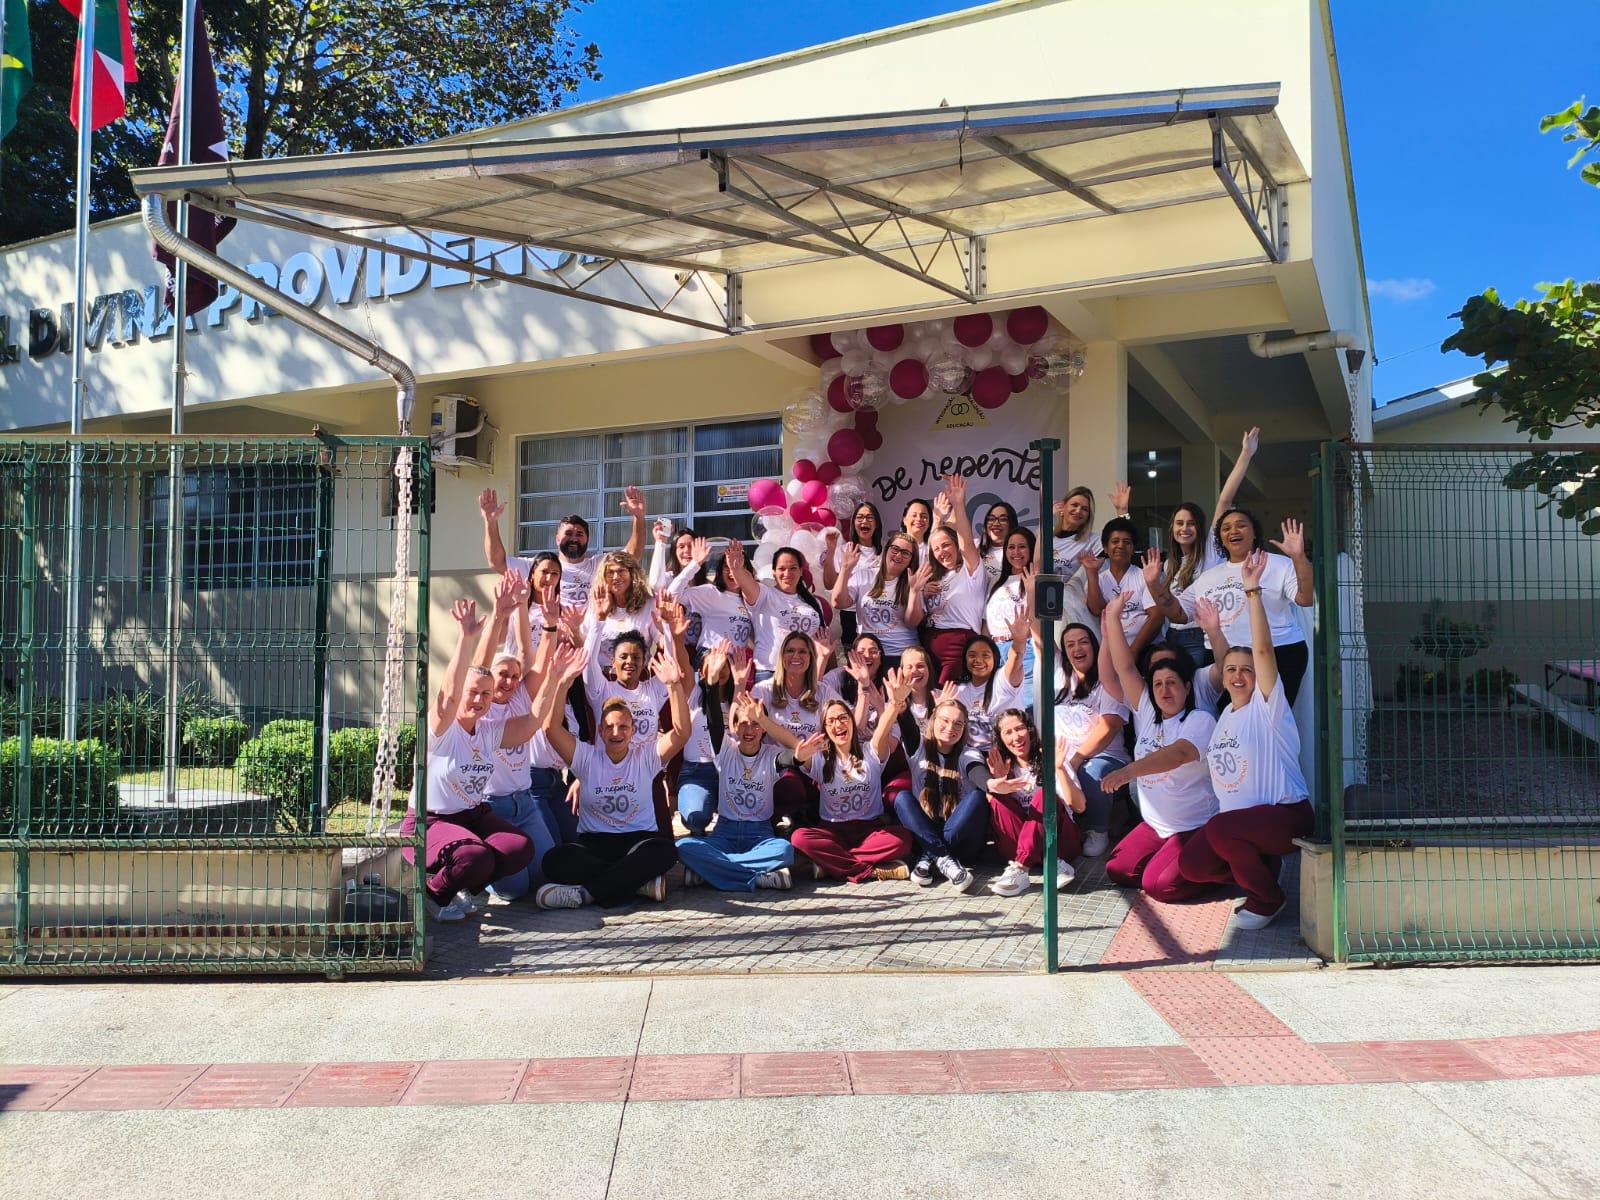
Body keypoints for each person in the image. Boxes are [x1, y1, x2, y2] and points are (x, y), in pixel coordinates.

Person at [1177, 549, 1314, 929]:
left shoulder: (1269, 706)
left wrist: (1252, 592)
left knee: (1221, 830)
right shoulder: (1224, 714)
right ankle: (1260, 868)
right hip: (1246, 827)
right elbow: (1226, 662)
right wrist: (1214, 632)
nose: (1238, 676)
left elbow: (1263, 650)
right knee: (1192, 864)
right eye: (1232, 671)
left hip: (1287, 817)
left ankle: (1268, 899)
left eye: (1247, 671)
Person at [400, 576, 539, 921]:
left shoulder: (488, 730)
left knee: (518, 848)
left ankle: (459, 885)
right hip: (428, 822)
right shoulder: (442, 728)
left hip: (470, 817)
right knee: (476, 857)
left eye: (486, 695)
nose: (478, 699)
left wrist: (559, 677)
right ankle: (432, 897)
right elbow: (451, 692)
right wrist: (467, 637)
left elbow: (532, 723)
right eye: (472, 692)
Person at [534, 635, 692, 909]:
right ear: (600, 731)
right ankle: (635, 883)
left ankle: (586, 894)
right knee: (553, 861)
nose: (616, 733)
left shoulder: (645, 757)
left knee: (666, 851)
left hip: (636, 843)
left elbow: (681, 733)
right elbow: (551, 729)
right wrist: (562, 683)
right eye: (609, 727)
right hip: (595, 845)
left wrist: (674, 685)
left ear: (633, 731)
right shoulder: (586, 756)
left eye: (623, 727)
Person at [1098, 593, 1219, 902]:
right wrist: (1112, 618)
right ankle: (1171, 861)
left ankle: (1222, 867)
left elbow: (1176, 755)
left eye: (1172, 683)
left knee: (1159, 886)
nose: (1164, 690)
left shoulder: (1200, 720)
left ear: (1187, 687)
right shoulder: (1148, 713)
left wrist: (1129, 772)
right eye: (1158, 684)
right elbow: (1125, 668)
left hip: (1194, 826)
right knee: (1118, 869)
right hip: (1156, 826)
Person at [1148, 515, 1314, 703]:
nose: (1233, 531)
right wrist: (1153, 584)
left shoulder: (1279, 564)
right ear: (1221, 539)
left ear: (1254, 533)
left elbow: (1305, 598)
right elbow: (1178, 614)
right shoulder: (1207, 577)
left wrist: (1299, 558)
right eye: (1226, 528)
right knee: (1231, 720)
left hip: (1279, 653)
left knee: (1270, 720)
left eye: (1241, 525)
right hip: (1223, 658)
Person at [477, 573, 560, 903]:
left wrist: (550, 627)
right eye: (503, 675)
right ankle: (480, 877)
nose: (510, 681)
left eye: (514, 676)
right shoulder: (479, 705)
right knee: (515, 890)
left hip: (524, 804)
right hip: (491, 806)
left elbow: (537, 660)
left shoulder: (521, 697)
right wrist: (499, 615)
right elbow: (480, 664)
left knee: (548, 872)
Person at [789, 681, 916, 883]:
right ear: (825, 729)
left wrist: (895, 703)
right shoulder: (820, 759)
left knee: (903, 839)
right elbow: (796, 750)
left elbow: (883, 730)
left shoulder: (870, 752)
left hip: (870, 830)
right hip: (832, 831)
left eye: (842, 718)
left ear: (852, 722)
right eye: (830, 721)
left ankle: (831, 866)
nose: (838, 725)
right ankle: (873, 871)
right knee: (799, 838)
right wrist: (798, 756)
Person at [675, 692, 801, 892]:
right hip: (725, 832)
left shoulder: (772, 756)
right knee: (683, 847)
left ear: (764, 729)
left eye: (756, 723)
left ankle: (710, 871)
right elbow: (714, 718)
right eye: (743, 723)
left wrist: (764, 719)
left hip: (760, 835)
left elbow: (797, 754)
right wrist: (712, 682)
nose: (749, 729)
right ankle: (759, 875)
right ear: (734, 727)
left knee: (784, 850)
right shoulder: (725, 750)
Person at [1162, 427, 1258, 663]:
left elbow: (1225, 500)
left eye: (1191, 524)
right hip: (1171, 635)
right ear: (1172, 529)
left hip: (1199, 636)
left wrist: (1245, 454)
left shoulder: (1210, 551)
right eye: (1179, 523)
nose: (1184, 528)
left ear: (1201, 528)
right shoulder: (1168, 565)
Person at [479, 485, 646, 611]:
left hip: (592, 644)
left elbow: (632, 556)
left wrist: (638, 517)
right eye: (568, 533)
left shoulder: (600, 565)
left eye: (579, 534)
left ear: (587, 539)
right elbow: (497, 562)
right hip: (553, 642)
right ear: (557, 539)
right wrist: (490, 523)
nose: (574, 538)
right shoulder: (541, 567)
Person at [887, 696, 988, 891]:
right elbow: (908, 725)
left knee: (977, 796)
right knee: (901, 798)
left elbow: (978, 773)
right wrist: (901, 707)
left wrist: (991, 783)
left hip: (961, 840)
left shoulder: (969, 753)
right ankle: (944, 859)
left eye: (958, 723)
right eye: (945, 720)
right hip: (924, 831)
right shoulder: (920, 748)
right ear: (934, 720)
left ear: (965, 728)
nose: (951, 728)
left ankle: (931, 855)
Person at [1049, 621, 1130, 859]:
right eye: (1070, 644)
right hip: (1064, 754)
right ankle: (1063, 832)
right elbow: (1039, 635)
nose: (1077, 648)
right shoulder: (1059, 675)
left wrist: (1078, 758)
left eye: (1083, 642)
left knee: (1092, 772)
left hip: (1105, 756)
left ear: (1094, 646)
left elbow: (1110, 726)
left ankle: (1098, 829)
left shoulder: (1107, 681)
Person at [984, 709, 1082, 896]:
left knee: (1045, 795)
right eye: (1008, 732)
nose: (1016, 737)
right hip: (1019, 845)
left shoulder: (1051, 757)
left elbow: (1079, 806)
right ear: (1001, 739)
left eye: (1020, 728)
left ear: (1030, 730)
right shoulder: (1004, 767)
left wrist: (1059, 769)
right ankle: (1030, 863)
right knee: (997, 799)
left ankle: (1022, 868)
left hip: (1059, 843)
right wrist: (998, 786)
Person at [724, 537, 826, 678]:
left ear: (801, 571)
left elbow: (823, 643)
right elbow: (746, 583)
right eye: (781, 569)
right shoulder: (764, 595)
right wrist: (736, 569)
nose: (787, 574)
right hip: (770, 672)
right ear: (773, 572)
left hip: (805, 675)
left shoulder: (813, 603)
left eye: (793, 568)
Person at [920, 474, 987, 684]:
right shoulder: (937, 576)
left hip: (958, 645)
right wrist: (937, 518)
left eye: (947, 545)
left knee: (948, 701)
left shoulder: (970, 570)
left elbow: (966, 543)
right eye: (937, 549)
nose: (942, 552)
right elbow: (932, 548)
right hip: (928, 641)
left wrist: (958, 503)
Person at [830, 531, 926, 666]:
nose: (898, 555)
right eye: (895, 549)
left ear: (911, 559)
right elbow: (837, 602)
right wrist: (845, 569)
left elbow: (912, 623)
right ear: (886, 550)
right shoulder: (864, 576)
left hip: (901, 653)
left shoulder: (914, 581)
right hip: (868, 654)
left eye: (905, 553)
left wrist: (915, 591)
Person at [1085, 516, 1160, 658]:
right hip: (1112, 650)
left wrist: (1134, 651)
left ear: (1133, 549)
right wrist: (1091, 573)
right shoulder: (1099, 579)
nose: (1120, 546)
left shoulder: (1143, 576)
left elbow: (1156, 617)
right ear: (1106, 548)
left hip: (1146, 650)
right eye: (1115, 541)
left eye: (1127, 542)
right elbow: (1096, 610)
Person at [666, 537, 755, 654]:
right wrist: (695, 564)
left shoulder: (753, 599)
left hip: (737, 664)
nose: (732, 571)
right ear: (719, 571)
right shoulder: (711, 593)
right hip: (710, 655)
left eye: (737, 566)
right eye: (726, 567)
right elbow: (672, 595)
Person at [953, 619, 1029, 756]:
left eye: (985, 655)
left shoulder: (1003, 680)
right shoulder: (960, 690)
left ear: (995, 658)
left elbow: (1016, 659)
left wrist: (1019, 642)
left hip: (1008, 752)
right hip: (973, 756)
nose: (978, 660)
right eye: (972, 655)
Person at [984, 528, 1037, 703]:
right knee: (999, 707)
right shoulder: (996, 582)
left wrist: (1031, 590)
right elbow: (986, 622)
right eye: (1011, 547)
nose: (1016, 552)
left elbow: (1036, 618)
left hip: (1024, 649)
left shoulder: (1034, 579)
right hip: (995, 650)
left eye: (1022, 547)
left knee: (1024, 705)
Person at [583, 550, 657, 666]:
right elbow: (585, 642)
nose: (616, 577)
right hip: (603, 677)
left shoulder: (648, 604)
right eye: (610, 573)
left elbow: (661, 642)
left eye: (621, 571)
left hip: (636, 677)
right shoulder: (596, 604)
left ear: (632, 574)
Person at [977, 501, 1019, 585]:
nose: (996, 523)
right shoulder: (975, 547)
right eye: (991, 519)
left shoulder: (1017, 553)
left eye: (1003, 519)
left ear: (1012, 523)